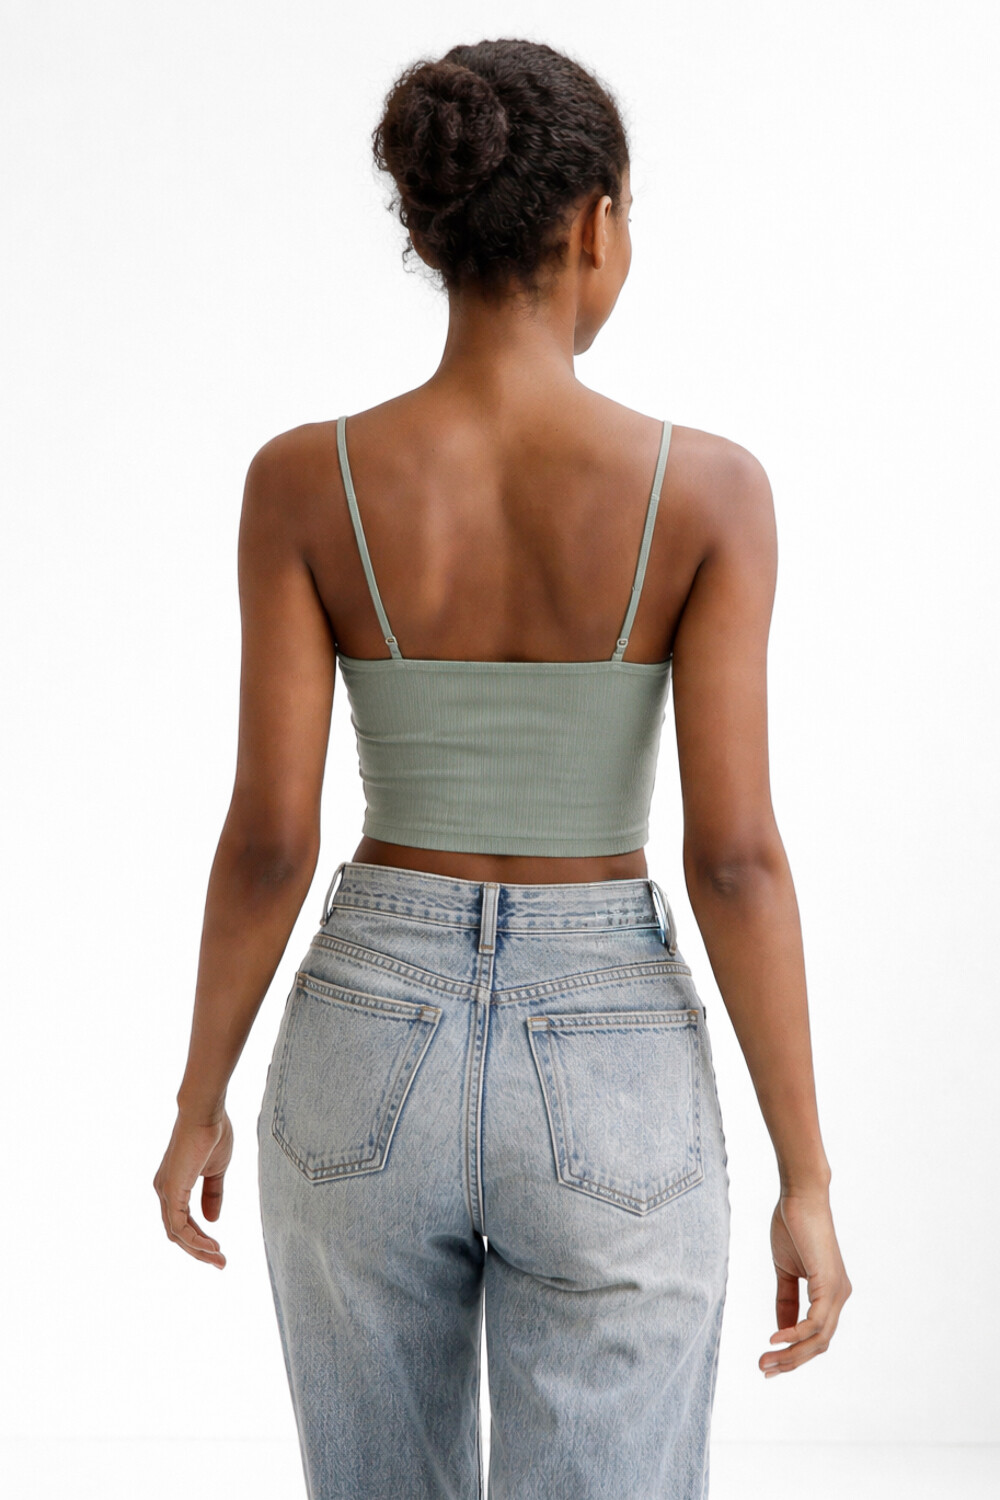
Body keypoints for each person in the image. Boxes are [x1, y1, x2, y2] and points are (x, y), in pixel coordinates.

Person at [153, 36, 851, 1500]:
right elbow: (735, 860)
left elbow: (271, 838)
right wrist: (807, 1174)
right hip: (610, 1051)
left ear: (428, 232)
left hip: (363, 1034)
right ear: (596, 223)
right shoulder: (709, 491)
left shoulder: (303, 481)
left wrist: (198, 1097)